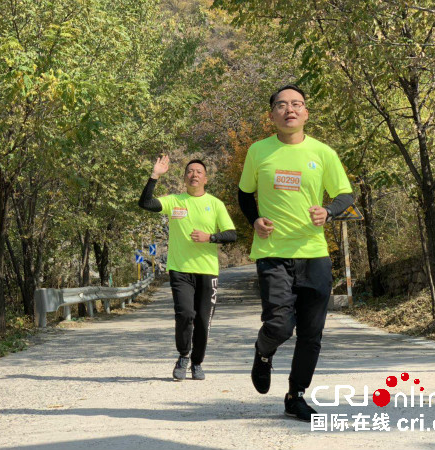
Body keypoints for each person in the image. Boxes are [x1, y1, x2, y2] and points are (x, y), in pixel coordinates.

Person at [237, 85, 353, 421]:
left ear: (306, 113)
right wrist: (254, 219)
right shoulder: (259, 152)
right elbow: (245, 195)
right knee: (279, 325)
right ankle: (263, 351)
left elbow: (345, 194)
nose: (290, 109)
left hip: (314, 253)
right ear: (272, 113)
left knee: (311, 333)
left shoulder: (323, 153)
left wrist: (329, 212)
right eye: (282, 105)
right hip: (273, 252)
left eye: (297, 104)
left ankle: (296, 395)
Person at [139, 155, 236, 381]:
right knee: (185, 314)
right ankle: (183, 355)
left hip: (207, 270)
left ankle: (197, 362)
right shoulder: (174, 201)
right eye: (190, 171)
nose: (194, 174)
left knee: (203, 320)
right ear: (184, 178)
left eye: (199, 172)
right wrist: (154, 176)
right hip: (180, 269)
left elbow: (232, 235)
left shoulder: (215, 204)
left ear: (205, 178)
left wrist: (210, 237)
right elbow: (145, 203)